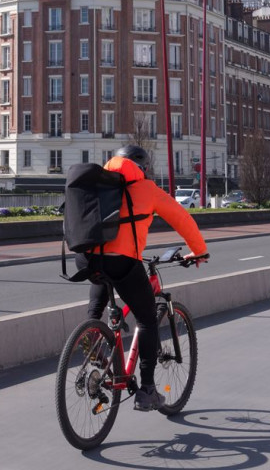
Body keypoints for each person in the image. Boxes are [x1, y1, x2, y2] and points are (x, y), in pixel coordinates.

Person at [75, 144, 208, 412]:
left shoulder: (97, 183)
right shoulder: (148, 189)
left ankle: (92, 335)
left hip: (87, 257)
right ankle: (147, 390)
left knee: (99, 301)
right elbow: (182, 219)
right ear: (143, 168)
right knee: (147, 318)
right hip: (123, 261)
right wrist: (199, 251)